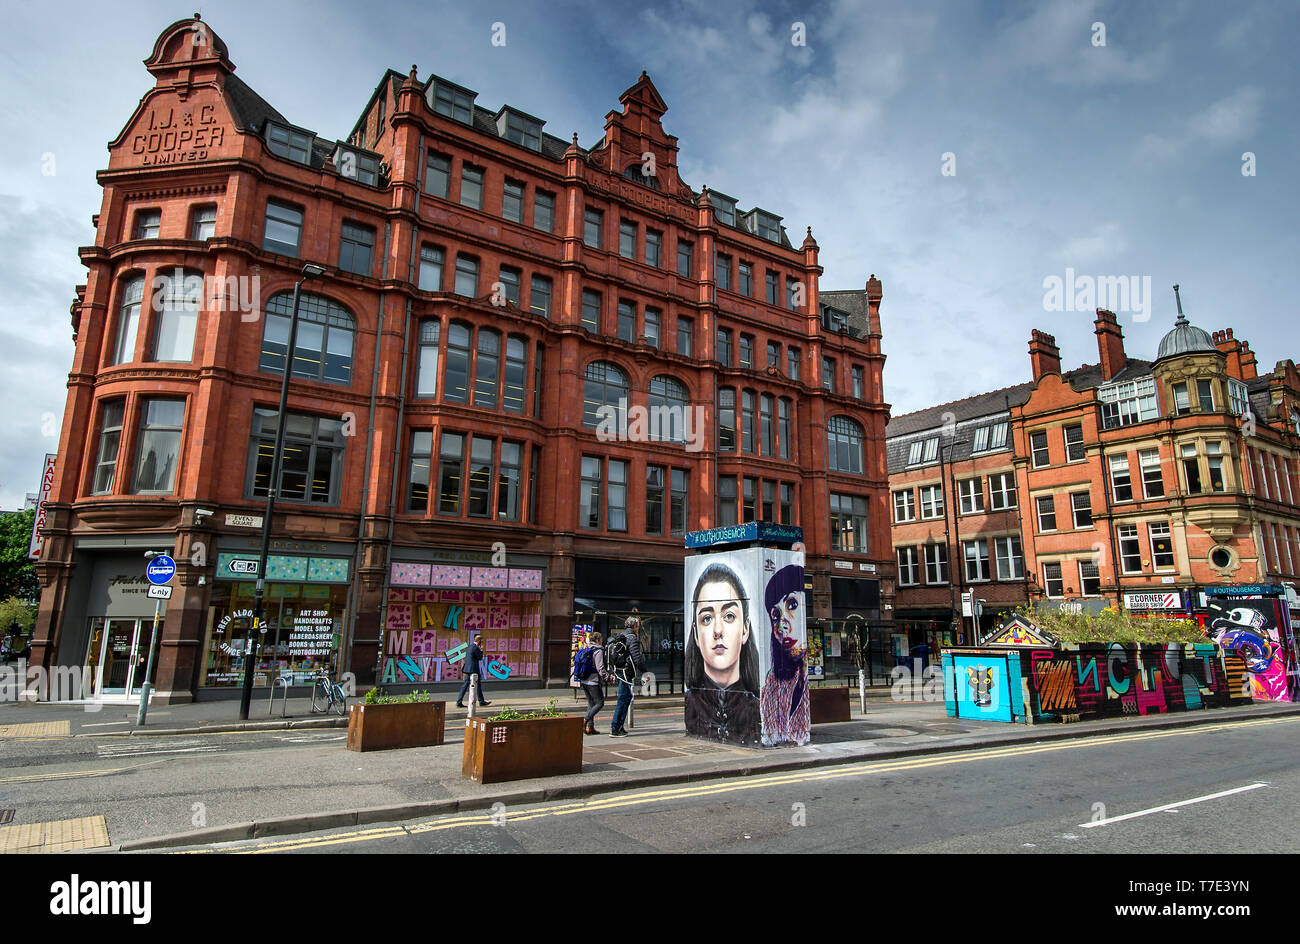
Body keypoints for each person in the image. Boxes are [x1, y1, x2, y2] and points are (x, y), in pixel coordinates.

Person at [684, 562, 762, 746]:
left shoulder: (760, 708)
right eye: (707, 618)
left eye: (729, 616)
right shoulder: (690, 704)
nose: (718, 630)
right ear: (695, 633)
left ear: (745, 629)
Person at [760, 564, 810, 746]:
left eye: (792, 605)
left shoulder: (802, 679)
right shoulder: (771, 685)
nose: (782, 625)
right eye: (776, 616)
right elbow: (770, 731)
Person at [607, 615, 646, 738]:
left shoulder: (622, 636)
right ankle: (615, 728)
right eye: (638, 626)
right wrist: (646, 671)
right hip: (626, 672)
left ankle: (619, 727)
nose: (638, 628)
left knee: (626, 697)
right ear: (635, 626)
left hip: (619, 670)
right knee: (623, 699)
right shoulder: (632, 638)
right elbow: (637, 658)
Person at [575, 631, 613, 734]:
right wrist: (608, 678)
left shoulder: (586, 648)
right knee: (600, 703)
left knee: (591, 703)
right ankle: (585, 719)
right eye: (601, 639)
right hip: (593, 681)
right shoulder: (598, 650)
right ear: (597, 640)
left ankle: (590, 727)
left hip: (584, 680)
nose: (602, 640)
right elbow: (600, 668)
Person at [455, 639, 491, 708]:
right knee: (478, 685)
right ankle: (481, 701)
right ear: (479, 641)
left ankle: (459, 701)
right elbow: (480, 657)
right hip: (473, 669)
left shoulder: (469, 647)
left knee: (465, 685)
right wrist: (481, 650)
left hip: (468, 669)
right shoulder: (476, 648)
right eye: (481, 643)